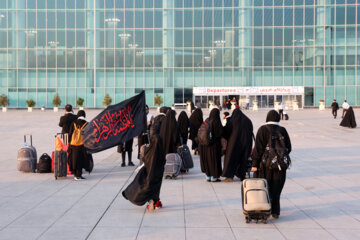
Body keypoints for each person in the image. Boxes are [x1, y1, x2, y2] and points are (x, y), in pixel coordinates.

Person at [251, 110, 292, 219]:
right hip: (280, 165)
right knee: (277, 187)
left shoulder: (263, 129)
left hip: (265, 165)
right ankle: (275, 212)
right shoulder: (282, 130)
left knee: (265, 186)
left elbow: (258, 149)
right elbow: (289, 147)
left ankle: (265, 209)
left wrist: (254, 164)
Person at [122, 134, 166, 212]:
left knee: (148, 187)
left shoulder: (149, 151)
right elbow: (163, 162)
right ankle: (156, 201)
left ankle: (152, 201)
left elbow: (144, 159)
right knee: (156, 187)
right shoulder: (161, 152)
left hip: (149, 173)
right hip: (158, 174)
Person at [222, 108, 253, 182]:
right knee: (243, 159)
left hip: (233, 143)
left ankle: (229, 175)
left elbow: (226, 131)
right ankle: (242, 175)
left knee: (231, 158)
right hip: (246, 143)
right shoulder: (247, 120)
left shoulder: (232, 120)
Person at [199, 108, 223, 182]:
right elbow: (219, 133)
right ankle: (214, 177)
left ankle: (208, 176)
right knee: (214, 161)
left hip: (205, 145)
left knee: (207, 161)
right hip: (214, 146)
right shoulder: (216, 122)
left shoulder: (206, 120)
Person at [68, 110, 92, 181]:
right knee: (81, 160)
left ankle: (75, 174)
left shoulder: (74, 123)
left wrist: (70, 142)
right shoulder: (87, 124)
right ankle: (79, 175)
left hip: (73, 145)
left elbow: (70, 134)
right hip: (82, 145)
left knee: (74, 160)